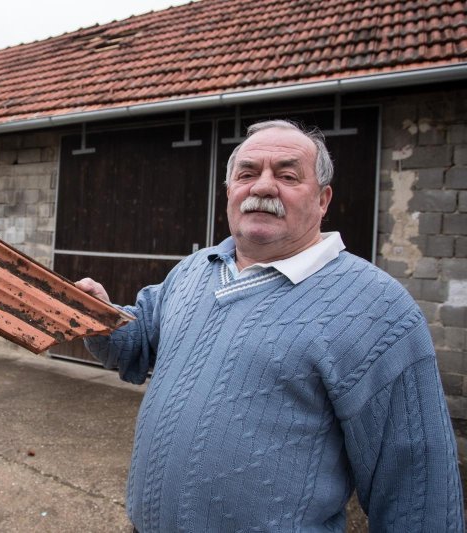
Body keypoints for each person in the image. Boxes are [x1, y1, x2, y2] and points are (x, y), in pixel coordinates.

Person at [76, 120, 464, 532]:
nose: (262, 187)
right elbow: (138, 343)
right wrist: (97, 316)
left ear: (322, 199)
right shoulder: (195, 269)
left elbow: (417, 486)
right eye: (247, 174)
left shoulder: (378, 308)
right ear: (230, 193)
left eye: (287, 175)